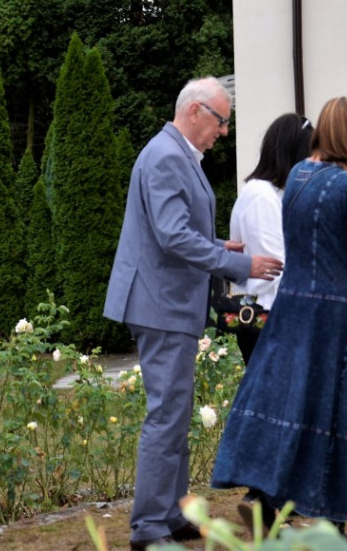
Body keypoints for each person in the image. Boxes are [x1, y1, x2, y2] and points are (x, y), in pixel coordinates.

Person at [103, 77, 284, 551]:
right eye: (222, 121)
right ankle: (148, 528)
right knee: (166, 416)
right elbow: (171, 236)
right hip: (161, 304)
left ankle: (169, 515)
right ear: (197, 111)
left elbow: (175, 231)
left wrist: (217, 246)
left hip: (168, 301)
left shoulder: (175, 153)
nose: (224, 132)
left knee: (175, 413)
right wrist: (239, 264)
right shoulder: (166, 155)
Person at [212, 97, 347, 551]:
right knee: (344, 420)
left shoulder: (298, 176)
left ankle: (264, 500)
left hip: (295, 315)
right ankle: (332, 530)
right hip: (337, 321)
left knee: (293, 411)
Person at [222, 112, 314, 364]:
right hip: (270, 319)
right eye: (309, 156)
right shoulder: (261, 197)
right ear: (292, 155)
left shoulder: (271, 195)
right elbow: (276, 269)